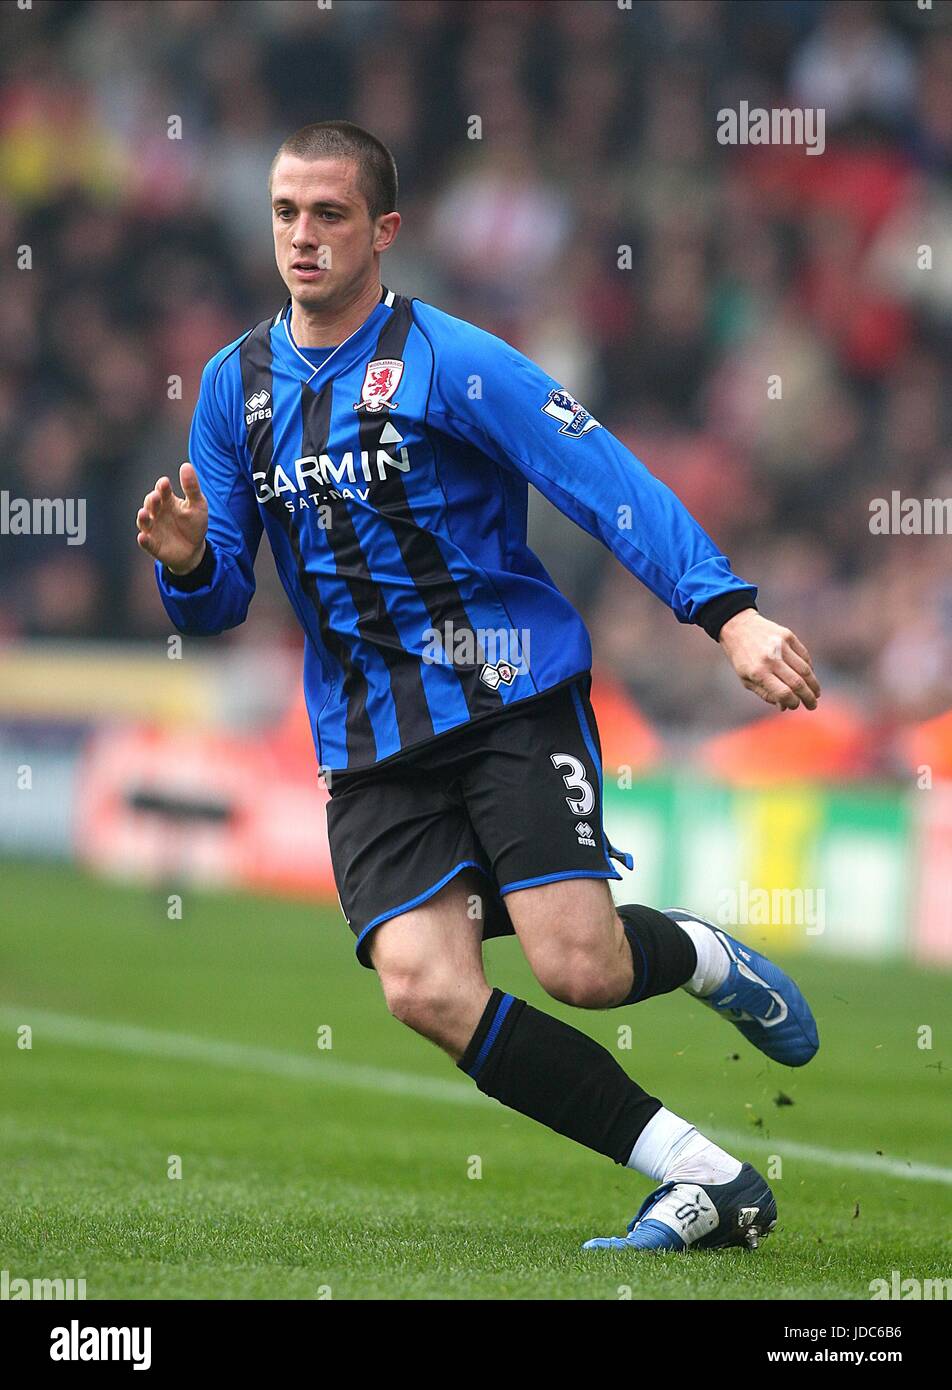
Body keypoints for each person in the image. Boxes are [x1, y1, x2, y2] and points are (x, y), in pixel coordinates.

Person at [136, 121, 820, 1253]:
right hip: (366, 734)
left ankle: (695, 951)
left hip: (504, 692)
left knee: (579, 967)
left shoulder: (454, 360)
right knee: (424, 987)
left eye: (330, 215)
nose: (302, 238)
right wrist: (188, 563)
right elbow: (219, 606)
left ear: (384, 231)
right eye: (284, 214)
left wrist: (725, 612)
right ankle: (705, 1181)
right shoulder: (233, 388)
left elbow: (601, 477)